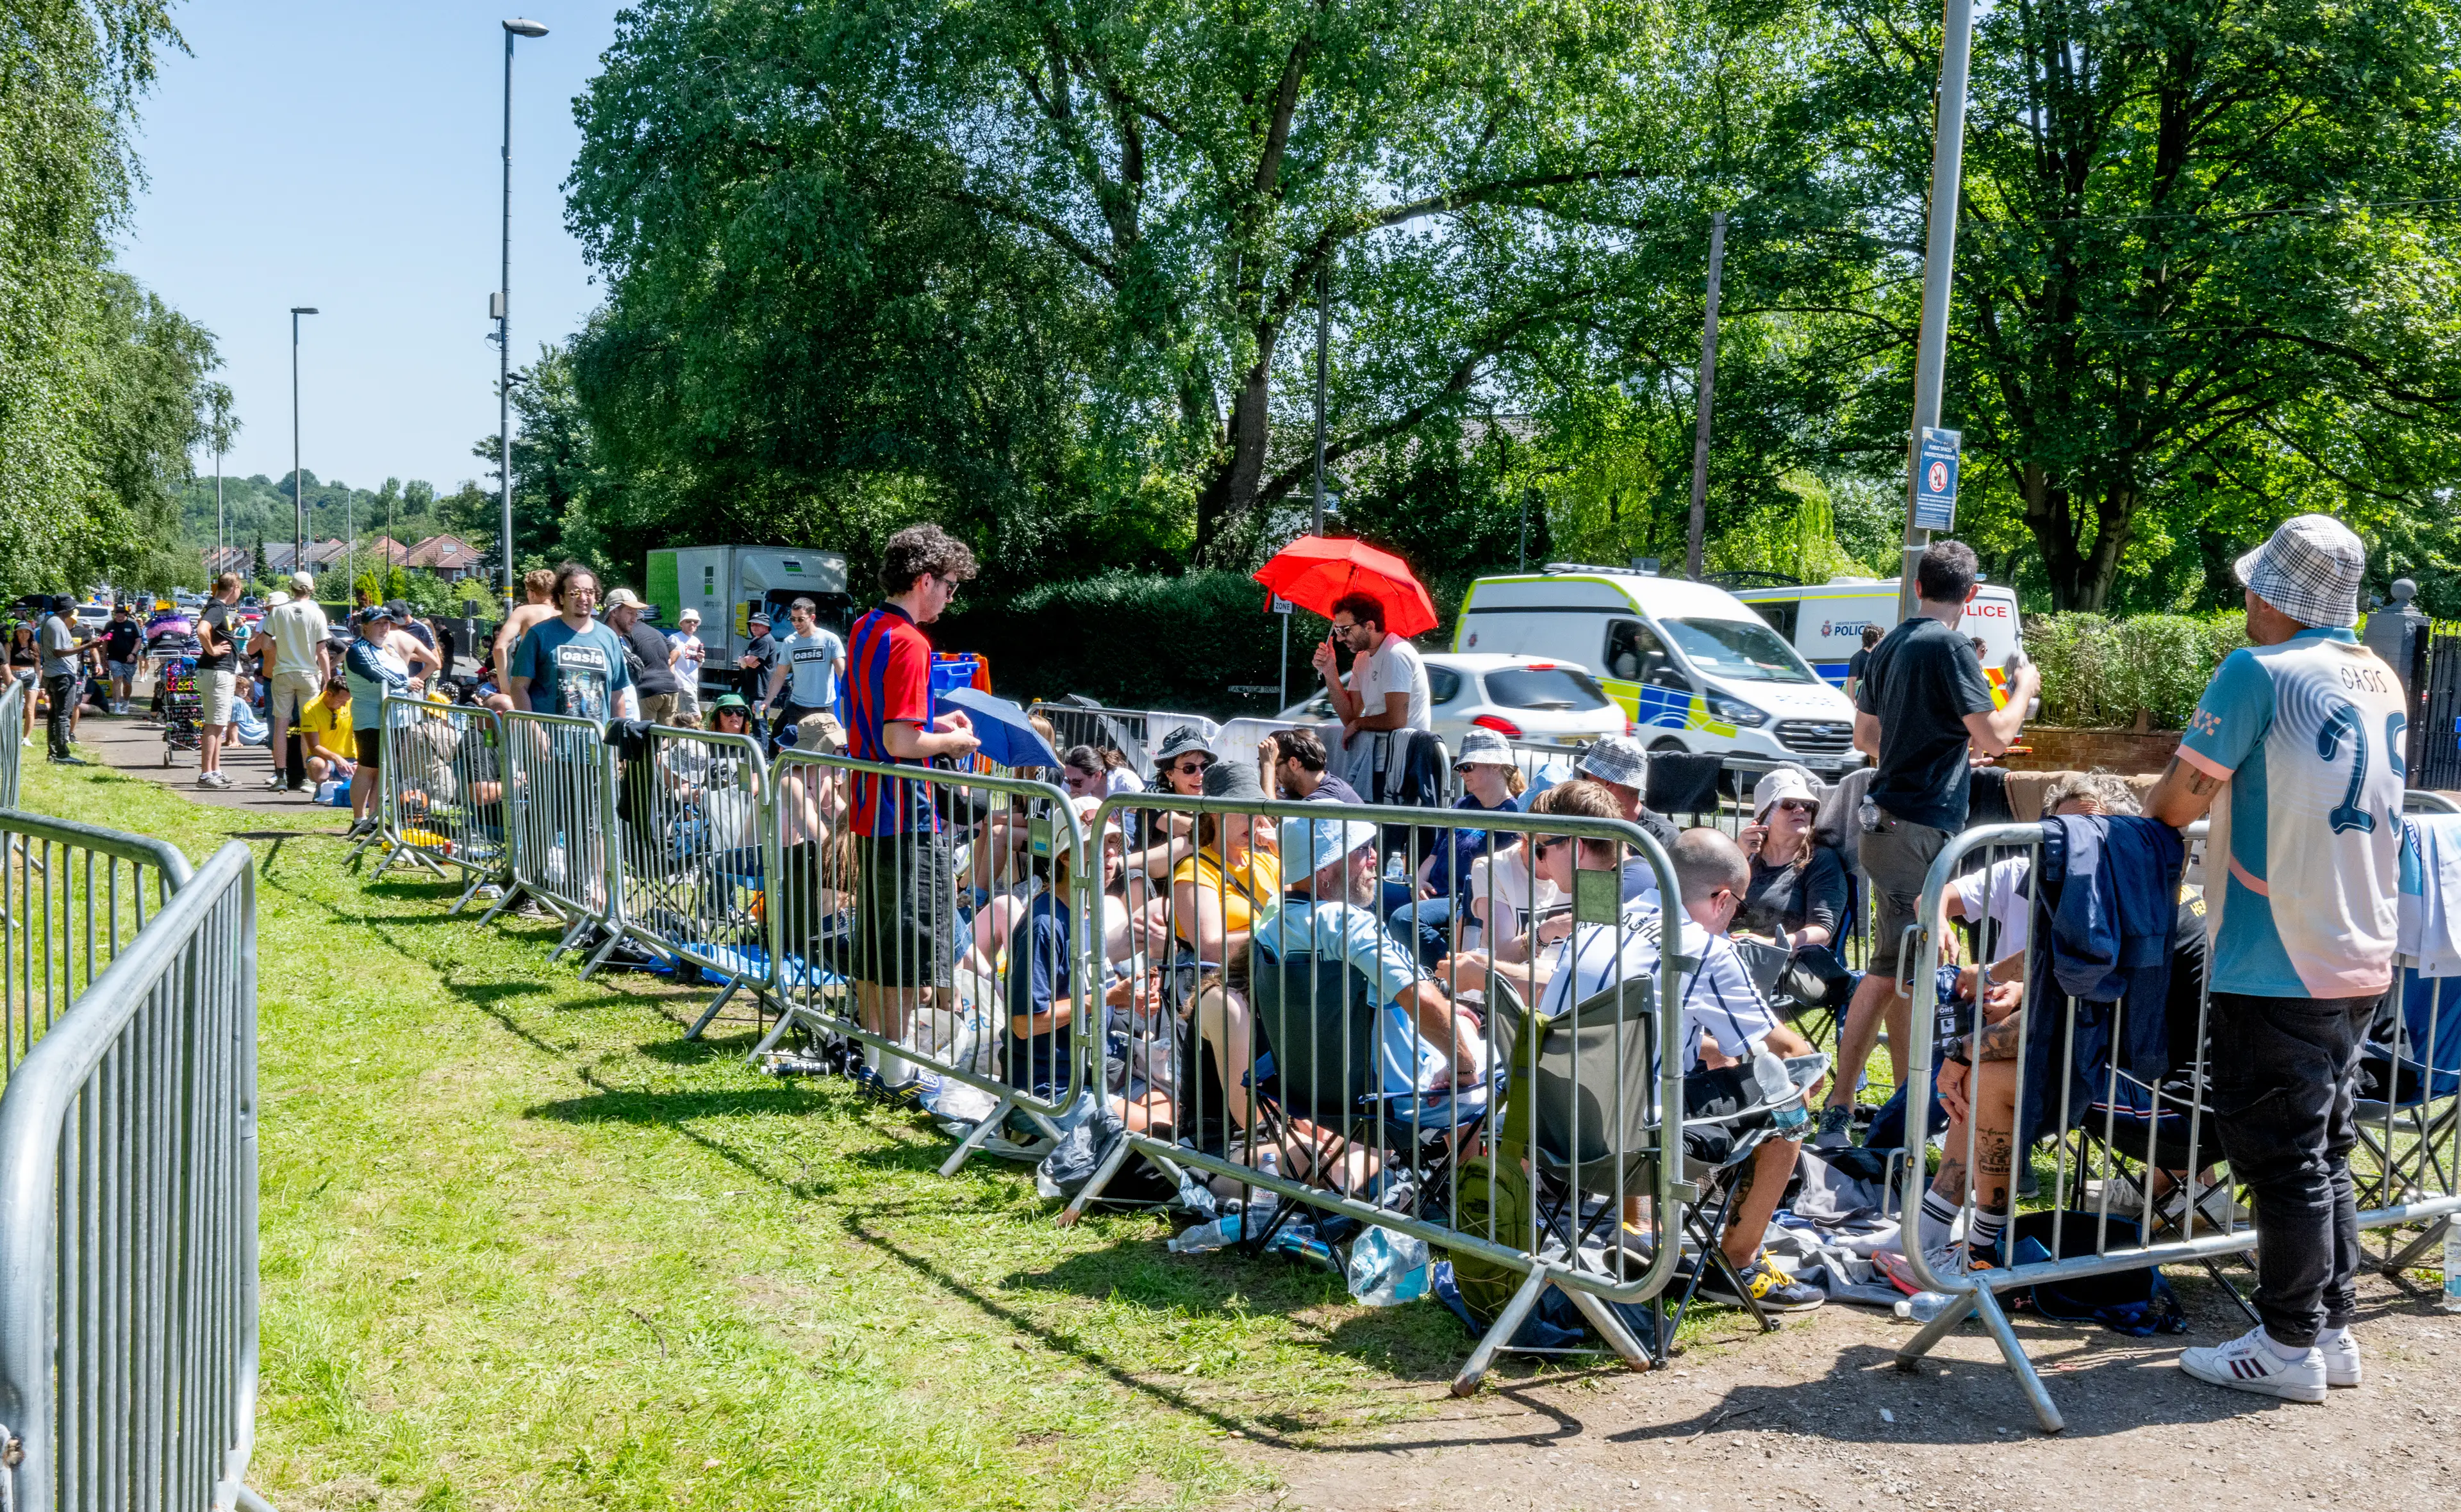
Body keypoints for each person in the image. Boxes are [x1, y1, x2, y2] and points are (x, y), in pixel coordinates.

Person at [2145, 515, 2407, 1404]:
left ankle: (2288, 1343)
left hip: (2277, 947)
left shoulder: (2258, 671)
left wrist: (2151, 808)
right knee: (2326, 1146)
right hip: (2362, 944)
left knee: (2280, 1154)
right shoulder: (2383, 678)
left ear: (2274, 597)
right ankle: (2329, 1329)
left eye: (2254, 588)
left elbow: (2179, 800)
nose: (2245, 601)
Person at [1819, 541, 2040, 1147]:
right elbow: (1996, 738)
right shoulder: (1948, 646)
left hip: (1885, 821)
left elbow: (1867, 735)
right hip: (1916, 830)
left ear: (1917, 587)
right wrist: (2024, 686)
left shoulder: (1888, 644)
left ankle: (1898, 1104)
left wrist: (1925, 747)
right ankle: (1858, 1110)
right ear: (1969, 596)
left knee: (1900, 967)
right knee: (1897, 970)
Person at [1259, 814, 1486, 1196]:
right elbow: (1424, 1000)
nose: (1375, 858)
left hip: (1303, 1089)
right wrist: (1463, 1068)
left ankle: (1450, 1186)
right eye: (1362, 850)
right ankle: (1471, 1197)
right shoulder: (1348, 924)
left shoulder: (1271, 917)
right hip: (1385, 1100)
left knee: (1459, 1028)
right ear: (1325, 869)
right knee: (1489, 1068)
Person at [842, 523, 981, 1105]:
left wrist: (933, 727)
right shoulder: (911, 642)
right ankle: (898, 1077)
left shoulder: (865, 626)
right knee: (904, 952)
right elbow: (901, 741)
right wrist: (953, 744)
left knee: (877, 947)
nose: (950, 597)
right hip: (904, 815)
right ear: (924, 579)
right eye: (948, 585)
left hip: (871, 810)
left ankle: (879, 1065)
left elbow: (884, 725)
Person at [1310, 593, 1431, 797]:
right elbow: (1349, 717)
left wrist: (1358, 725)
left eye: (1345, 630)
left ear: (1369, 626)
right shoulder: (1362, 658)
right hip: (1378, 760)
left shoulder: (1396, 654)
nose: (1339, 638)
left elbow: (1396, 719)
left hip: (1404, 765)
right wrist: (1331, 673)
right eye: (1338, 630)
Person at [1734, 766, 1847, 949]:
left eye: (1808, 805)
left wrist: (1772, 945)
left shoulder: (1821, 860)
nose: (1801, 809)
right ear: (1764, 817)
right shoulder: (1743, 856)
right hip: (1729, 952)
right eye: (1789, 804)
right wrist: (1738, 858)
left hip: (1789, 964)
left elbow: (1823, 931)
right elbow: (1711, 906)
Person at [508, 564, 636, 725]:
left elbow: (617, 695)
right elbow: (519, 688)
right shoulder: (539, 634)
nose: (583, 598)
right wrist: (534, 730)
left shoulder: (609, 637)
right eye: (575, 593)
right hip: (551, 744)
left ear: (596, 597)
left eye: (589, 592)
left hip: (596, 744)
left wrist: (617, 740)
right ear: (561, 597)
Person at [1571, 734, 1681, 900]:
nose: (1581, 783)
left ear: (1606, 783)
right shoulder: (1586, 822)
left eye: (1585, 776)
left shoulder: (1663, 836)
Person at [342, 605, 420, 832]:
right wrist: (406, 682)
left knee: (386, 769)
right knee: (368, 768)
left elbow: (399, 672)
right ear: (365, 627)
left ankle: (375, 817)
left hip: (397, 719)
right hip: (372, 719)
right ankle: (359, 820)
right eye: (378, 623)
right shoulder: (359, 650)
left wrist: (407, 680)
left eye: (387, 623)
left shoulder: (388, 649)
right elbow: (377, 673)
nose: (384, 627)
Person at [260, 572, 333, 793]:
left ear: (291, 588)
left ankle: (281, 776)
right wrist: (328, 680)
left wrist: (282, 645)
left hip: (283, 672)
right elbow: (322, 651)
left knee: (280, 726)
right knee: (308, 727)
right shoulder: (317, 613)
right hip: (309, 674)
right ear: (311, 589)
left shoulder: (279, 611)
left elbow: (266, 644)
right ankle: (308, 778)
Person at [762, 596, 847, 753]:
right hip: (798, 706)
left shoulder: (830, 640)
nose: (796, 623)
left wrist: (853, 696)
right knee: (788, 749)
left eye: (800, 619)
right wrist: (768, 700)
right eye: (792, 619)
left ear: (812, 617)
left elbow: (842, 673)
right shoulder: (789, 642)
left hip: (824, 707)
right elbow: (780, 674)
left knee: (830, 751)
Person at [601, 588, 681, 724]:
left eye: (636, 614)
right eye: (630, 613)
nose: (635, 619)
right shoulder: (602, 641)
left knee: (661, 741)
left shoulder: (621, 641)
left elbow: (677, 651)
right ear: (614, 612)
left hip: (630, 719)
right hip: (613, 724)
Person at [192, 574, 243, 787]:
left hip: (218, 672)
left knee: (219, 724)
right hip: (216, 672)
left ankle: (215, 770)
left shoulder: (216, 607)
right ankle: (206, 775)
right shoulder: (218, 608)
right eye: (240, 589)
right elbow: (202, 630)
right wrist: (212, 650)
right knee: (214, 724)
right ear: (234, 588)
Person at [37, 597, 101, 765]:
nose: (74, 611)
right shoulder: (57, 624)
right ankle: (62, 754)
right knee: (63, 715)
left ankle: (54, 753)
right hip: (62, 675)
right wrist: (88, 646)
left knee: (54, 715)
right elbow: (59, 652)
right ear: (65, 609)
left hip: (53, 673)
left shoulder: (50, 621)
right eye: (72, 608)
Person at [488, 569, 559, 712]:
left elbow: (499, 647)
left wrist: (505, 687)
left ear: (532, 592)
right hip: (558, 683)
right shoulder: (563, 614)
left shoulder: (524, 611)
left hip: (530, 681)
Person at [1263, 726, 1364, 804]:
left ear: (1293, 764)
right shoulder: (1302, 793)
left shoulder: (1328, 796)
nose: (1275, 774)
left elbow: (1272, 819)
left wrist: (1268, 765)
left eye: (1276, 766)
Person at [298, 676, 358, 787]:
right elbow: (314, 747)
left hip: (350, 759)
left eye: (347, 701)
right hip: (324, 759)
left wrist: (360, 761)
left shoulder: (351, 703)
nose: (344, 705)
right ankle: (323, 787)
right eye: (341, 701)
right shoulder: (310, 709)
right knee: (318, 765)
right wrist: (336, 758)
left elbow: (360, 735)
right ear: (329, 694)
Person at [101, 603, 142, 714]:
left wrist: (133, 654)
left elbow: (138, 641)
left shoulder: (132, 624)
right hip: (114, 658)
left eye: (122, 613)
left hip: (130, 659)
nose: (119, 615)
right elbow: (105, 641)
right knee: (117, 680)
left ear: (126, 613)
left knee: (127, 683)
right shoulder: (110, 625)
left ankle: (126, 703)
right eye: (117, 613)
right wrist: (104, 657)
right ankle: (117, 706)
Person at [668, 607, 706, 723]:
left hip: (693, 683)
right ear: (682, 623)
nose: (692, 624)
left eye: (695, 621)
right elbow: (669, 661)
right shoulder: (675, 639)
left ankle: (682, 740)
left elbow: (697, 665)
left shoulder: (696, 641)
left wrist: (701, 659)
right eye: (688, 621)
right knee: (696, 717)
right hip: (682, 684)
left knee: (683, 719)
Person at [9, 618, 39, 747]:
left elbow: (38, 666)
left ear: (30, 634)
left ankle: (26, 738)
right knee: (14, 708)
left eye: (27, 632)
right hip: (14, 677)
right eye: (21, 632)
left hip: (31, 676)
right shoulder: (10, 646)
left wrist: (40, 683)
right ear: (16, 634)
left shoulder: (35, 646)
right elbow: (6, 664)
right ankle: (12, 734)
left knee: (29, 709)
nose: (24, 635)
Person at [1843, 623, 1882, 702]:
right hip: (1861, 701)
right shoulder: (1858, 657)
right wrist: (1853, 702)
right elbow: (1851, 681)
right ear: (1875, 641)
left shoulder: (1878, 657)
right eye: (1881, 639)